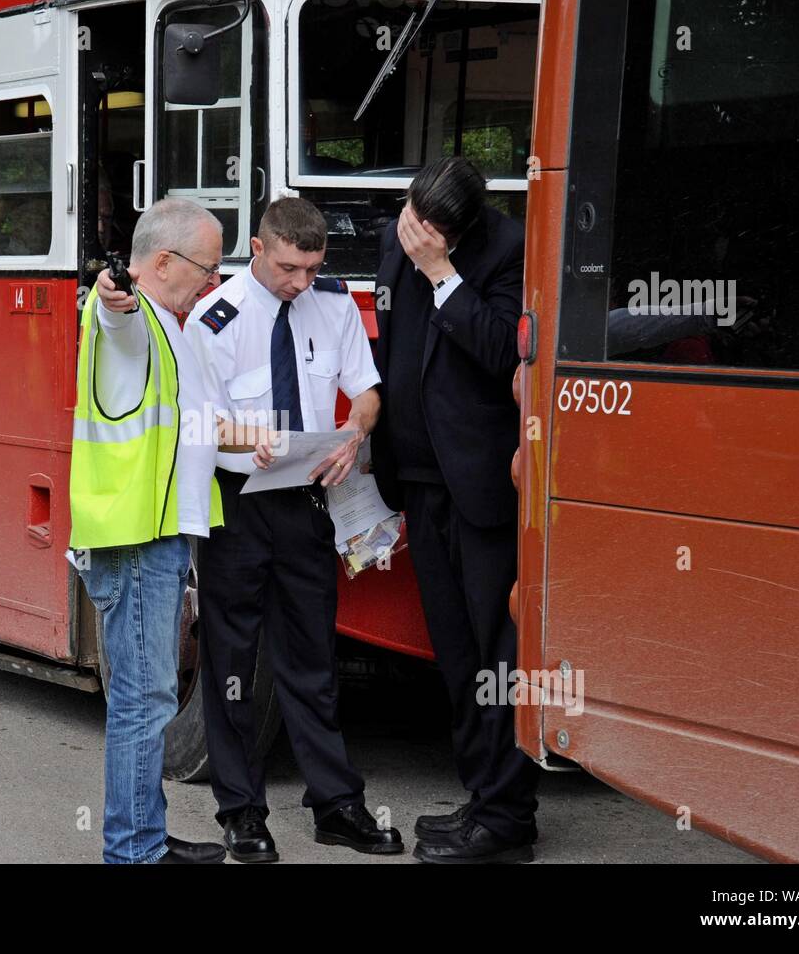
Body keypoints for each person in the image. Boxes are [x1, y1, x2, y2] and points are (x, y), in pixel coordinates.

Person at [183, 197, 401, 862]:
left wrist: (353, 433)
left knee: (313, 662)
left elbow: (367, 390)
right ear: (256, 247)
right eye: (287, 268)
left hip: (306, 502)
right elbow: (201, 425)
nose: (300, 282)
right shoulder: (212, 320)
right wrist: (256, 439)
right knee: (232, 665)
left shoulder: (332, 307)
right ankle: (242, 813)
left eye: (311, 268)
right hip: (239, 504)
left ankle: (336, 806)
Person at [371, 156, 540, 863]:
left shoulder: (508, 248)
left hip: (481, 485)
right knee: (456, 653)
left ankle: (506, 818)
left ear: (464, 227)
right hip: (417, 477)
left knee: (498, 653)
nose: (417, 236)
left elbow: (507, 350)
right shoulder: (394, 235)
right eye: (415, 218)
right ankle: (482, 800)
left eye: (434, 230)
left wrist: (444, 275)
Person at [70, 197, 239, 864]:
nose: (217, 282)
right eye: (209, 266)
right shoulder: (130, 315)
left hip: (155, 536)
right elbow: (119, 319)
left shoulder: (174, 324)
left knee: (149, 696)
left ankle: (143, 835)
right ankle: (133, 850)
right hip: (136, 539)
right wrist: (115, 292)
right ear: (164, 262)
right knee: (144, 701)